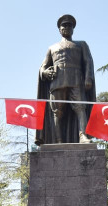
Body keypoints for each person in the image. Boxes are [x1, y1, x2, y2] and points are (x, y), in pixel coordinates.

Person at [36, 13, 95, 145]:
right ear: (59, 29)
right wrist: (44, 73)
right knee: (57, 112)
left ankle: (83, 136)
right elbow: (42, 67)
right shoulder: (52, 48)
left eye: (69, 25)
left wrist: (88, 78)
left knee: (81, 109)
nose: (66, 27)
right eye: (64, 25)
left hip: (76, 81)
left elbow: (88, 62)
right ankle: (58, 140)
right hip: (57, 82)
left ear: (73, 28)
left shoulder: (81, 44)